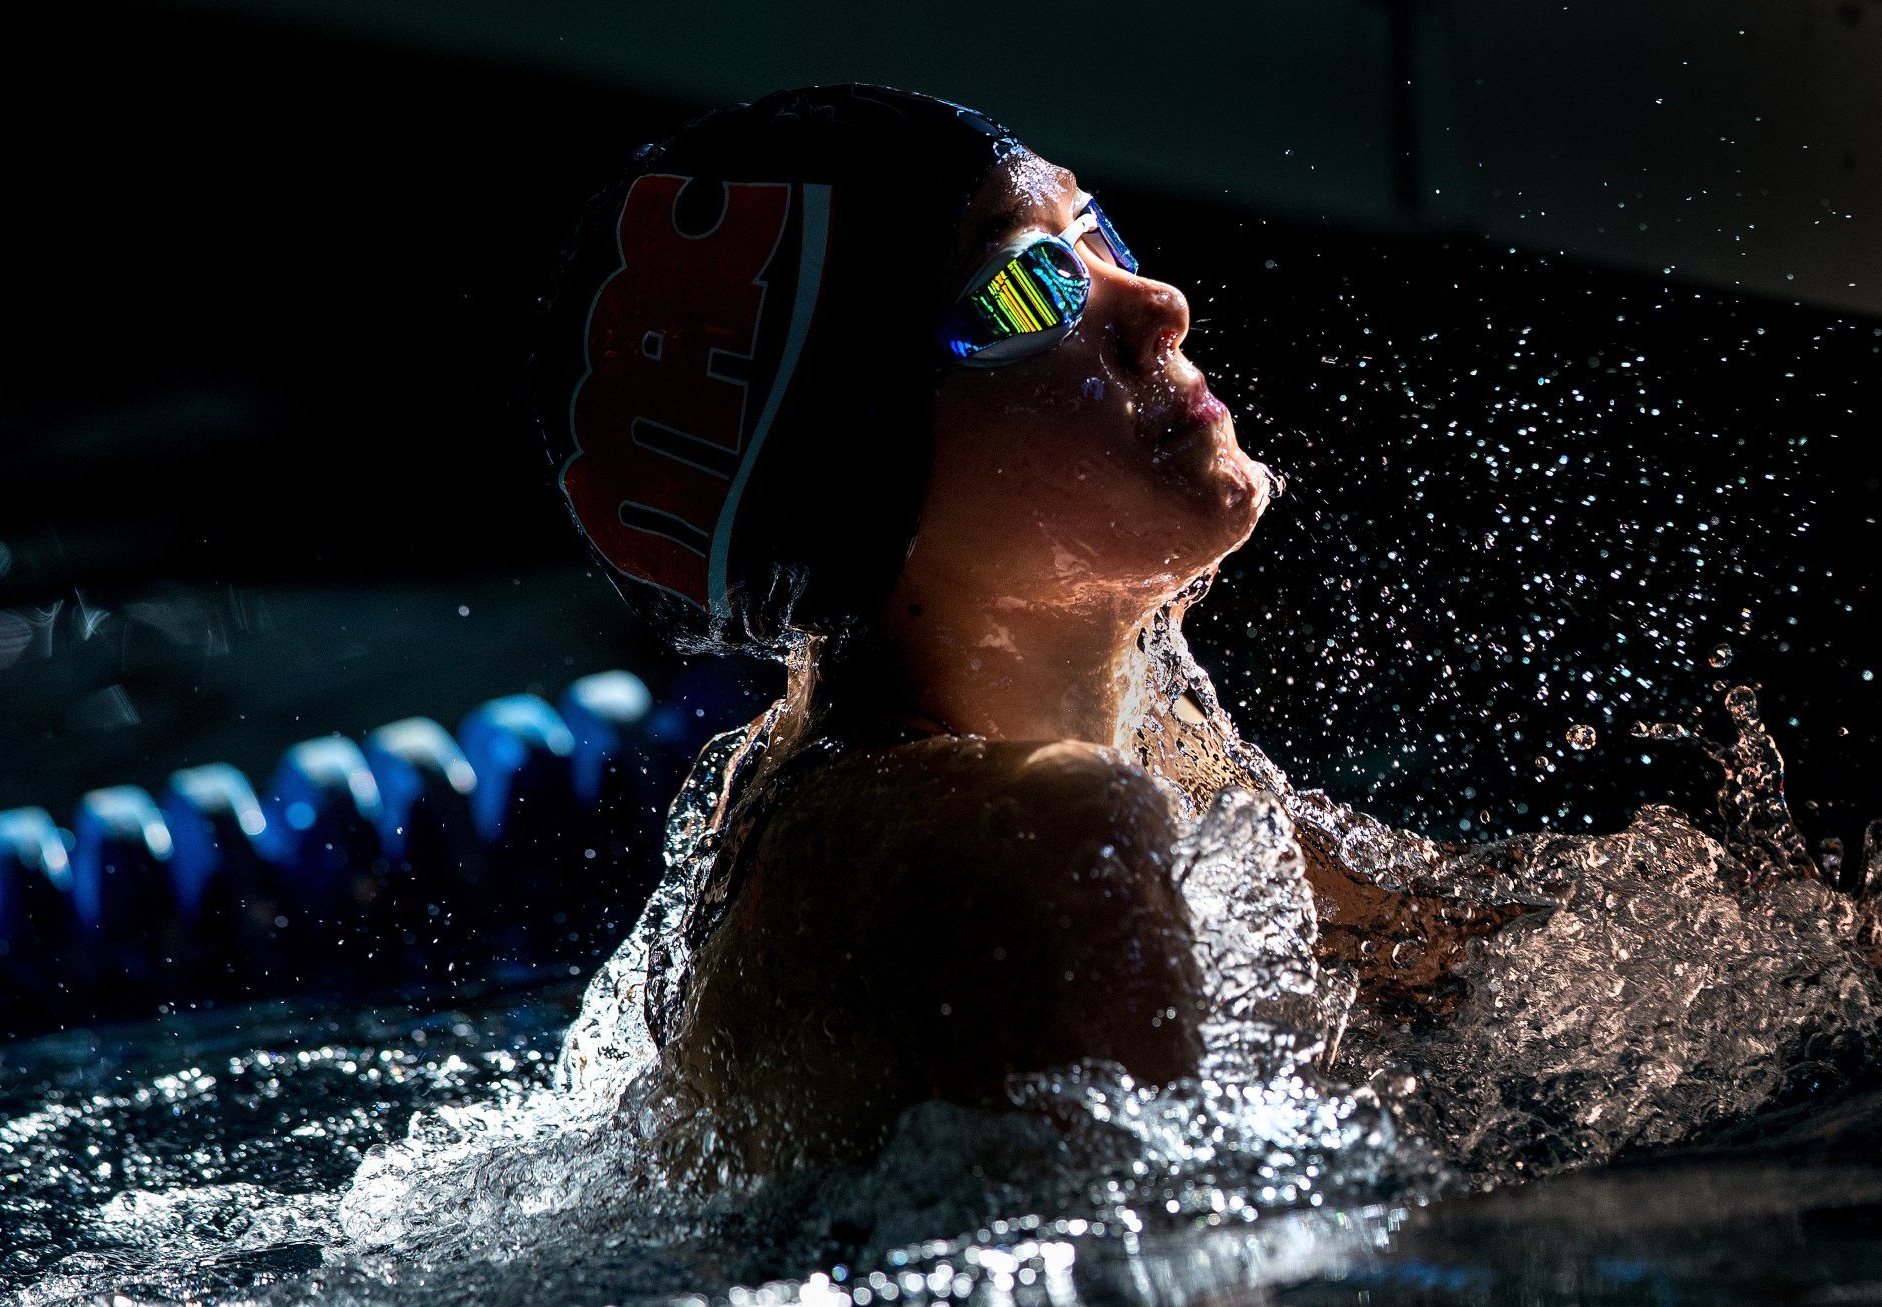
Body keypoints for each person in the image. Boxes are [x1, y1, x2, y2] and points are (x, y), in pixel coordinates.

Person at [526, 85, 1650, 1181]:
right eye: (1026, 288)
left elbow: (1492, 968)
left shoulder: (1007, 773)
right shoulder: (1042, 839)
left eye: (1097, 235)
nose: (1157, 304)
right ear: (852, 467)